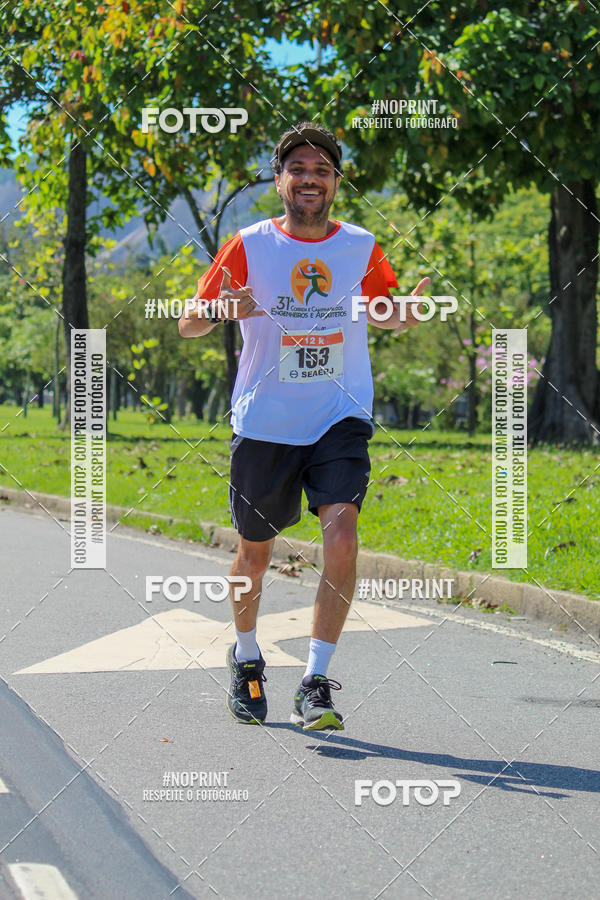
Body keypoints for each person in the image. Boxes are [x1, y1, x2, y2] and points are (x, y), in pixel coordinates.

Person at [179, 122, 429, 731]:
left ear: (336, 183)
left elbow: (382, 310)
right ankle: (245, 658)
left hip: (338, 416)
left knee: (341, 540)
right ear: (280, 179)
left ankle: (315, 681)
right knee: (254, 556)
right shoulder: (250, 245)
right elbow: (188, 321)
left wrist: (406, 315)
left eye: (322, 170)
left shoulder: (361, 246)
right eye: (299, 169)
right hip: (265, 421)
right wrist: (216, 310)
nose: (310, 179)